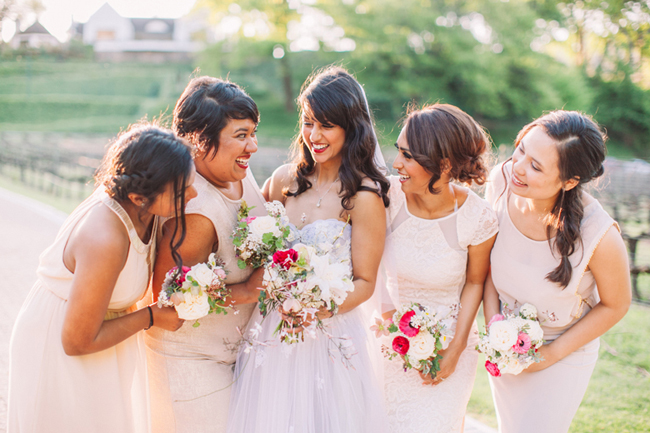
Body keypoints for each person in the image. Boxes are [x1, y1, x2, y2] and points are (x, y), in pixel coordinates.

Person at [227, 66, 390, 433]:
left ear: (352, 127)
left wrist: (315, 308)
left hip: (327, 334)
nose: (314, 135)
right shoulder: (285, 180)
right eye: (308, 122)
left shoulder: (363, 198)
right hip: (270, 330)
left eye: (326, 125)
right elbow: (253, 242)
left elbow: (364, 282)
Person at [7, 124, 194, 433]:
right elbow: (77, 341)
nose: (194, 194)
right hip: (63, 340)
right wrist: (151, 316)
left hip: (104, 335)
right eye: (182, 189)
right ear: (138, 197)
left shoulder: (145, 207)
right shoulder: (105, 238)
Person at [483, 110, 631, 433]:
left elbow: (617, 304)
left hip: (563, 352)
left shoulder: (600, 235)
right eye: (521, 149)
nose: (517, 168)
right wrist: (496, 329)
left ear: (569, 181)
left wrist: (550, 354)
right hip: (508, 343)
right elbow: (487, 267)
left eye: (536, 166)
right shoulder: (501, 182)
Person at [144, 76, 267, 433]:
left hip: (232, 356)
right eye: (241, 135)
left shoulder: (233, 170)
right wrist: (245, 292)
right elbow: (167, 301)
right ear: (198, 141)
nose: (253, 146)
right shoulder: (195, 210)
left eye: (253, 132)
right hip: (189, 365)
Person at [383, 104, 498, 432]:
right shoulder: (386, 197)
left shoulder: (479, 218)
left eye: (407, 156)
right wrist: (395, 330)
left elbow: (475, 284)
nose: (396, 164)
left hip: (452, 340)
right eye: (398, 152)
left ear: (444, 165)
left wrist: (456, 349)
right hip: (388, 339)